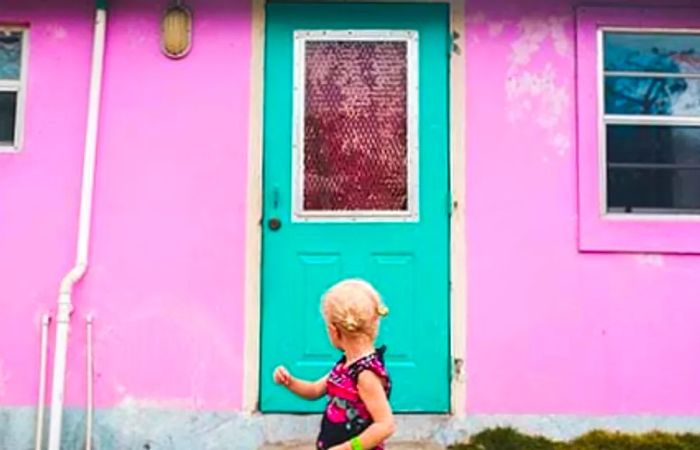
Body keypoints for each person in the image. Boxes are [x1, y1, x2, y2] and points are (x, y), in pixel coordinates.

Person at [273, 279, 395, 450]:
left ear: (333, 330)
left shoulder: (366, 374)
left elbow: (385, 425)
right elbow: (315, 390)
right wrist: (290, 382)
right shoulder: (345, 365)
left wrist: (350, 447)